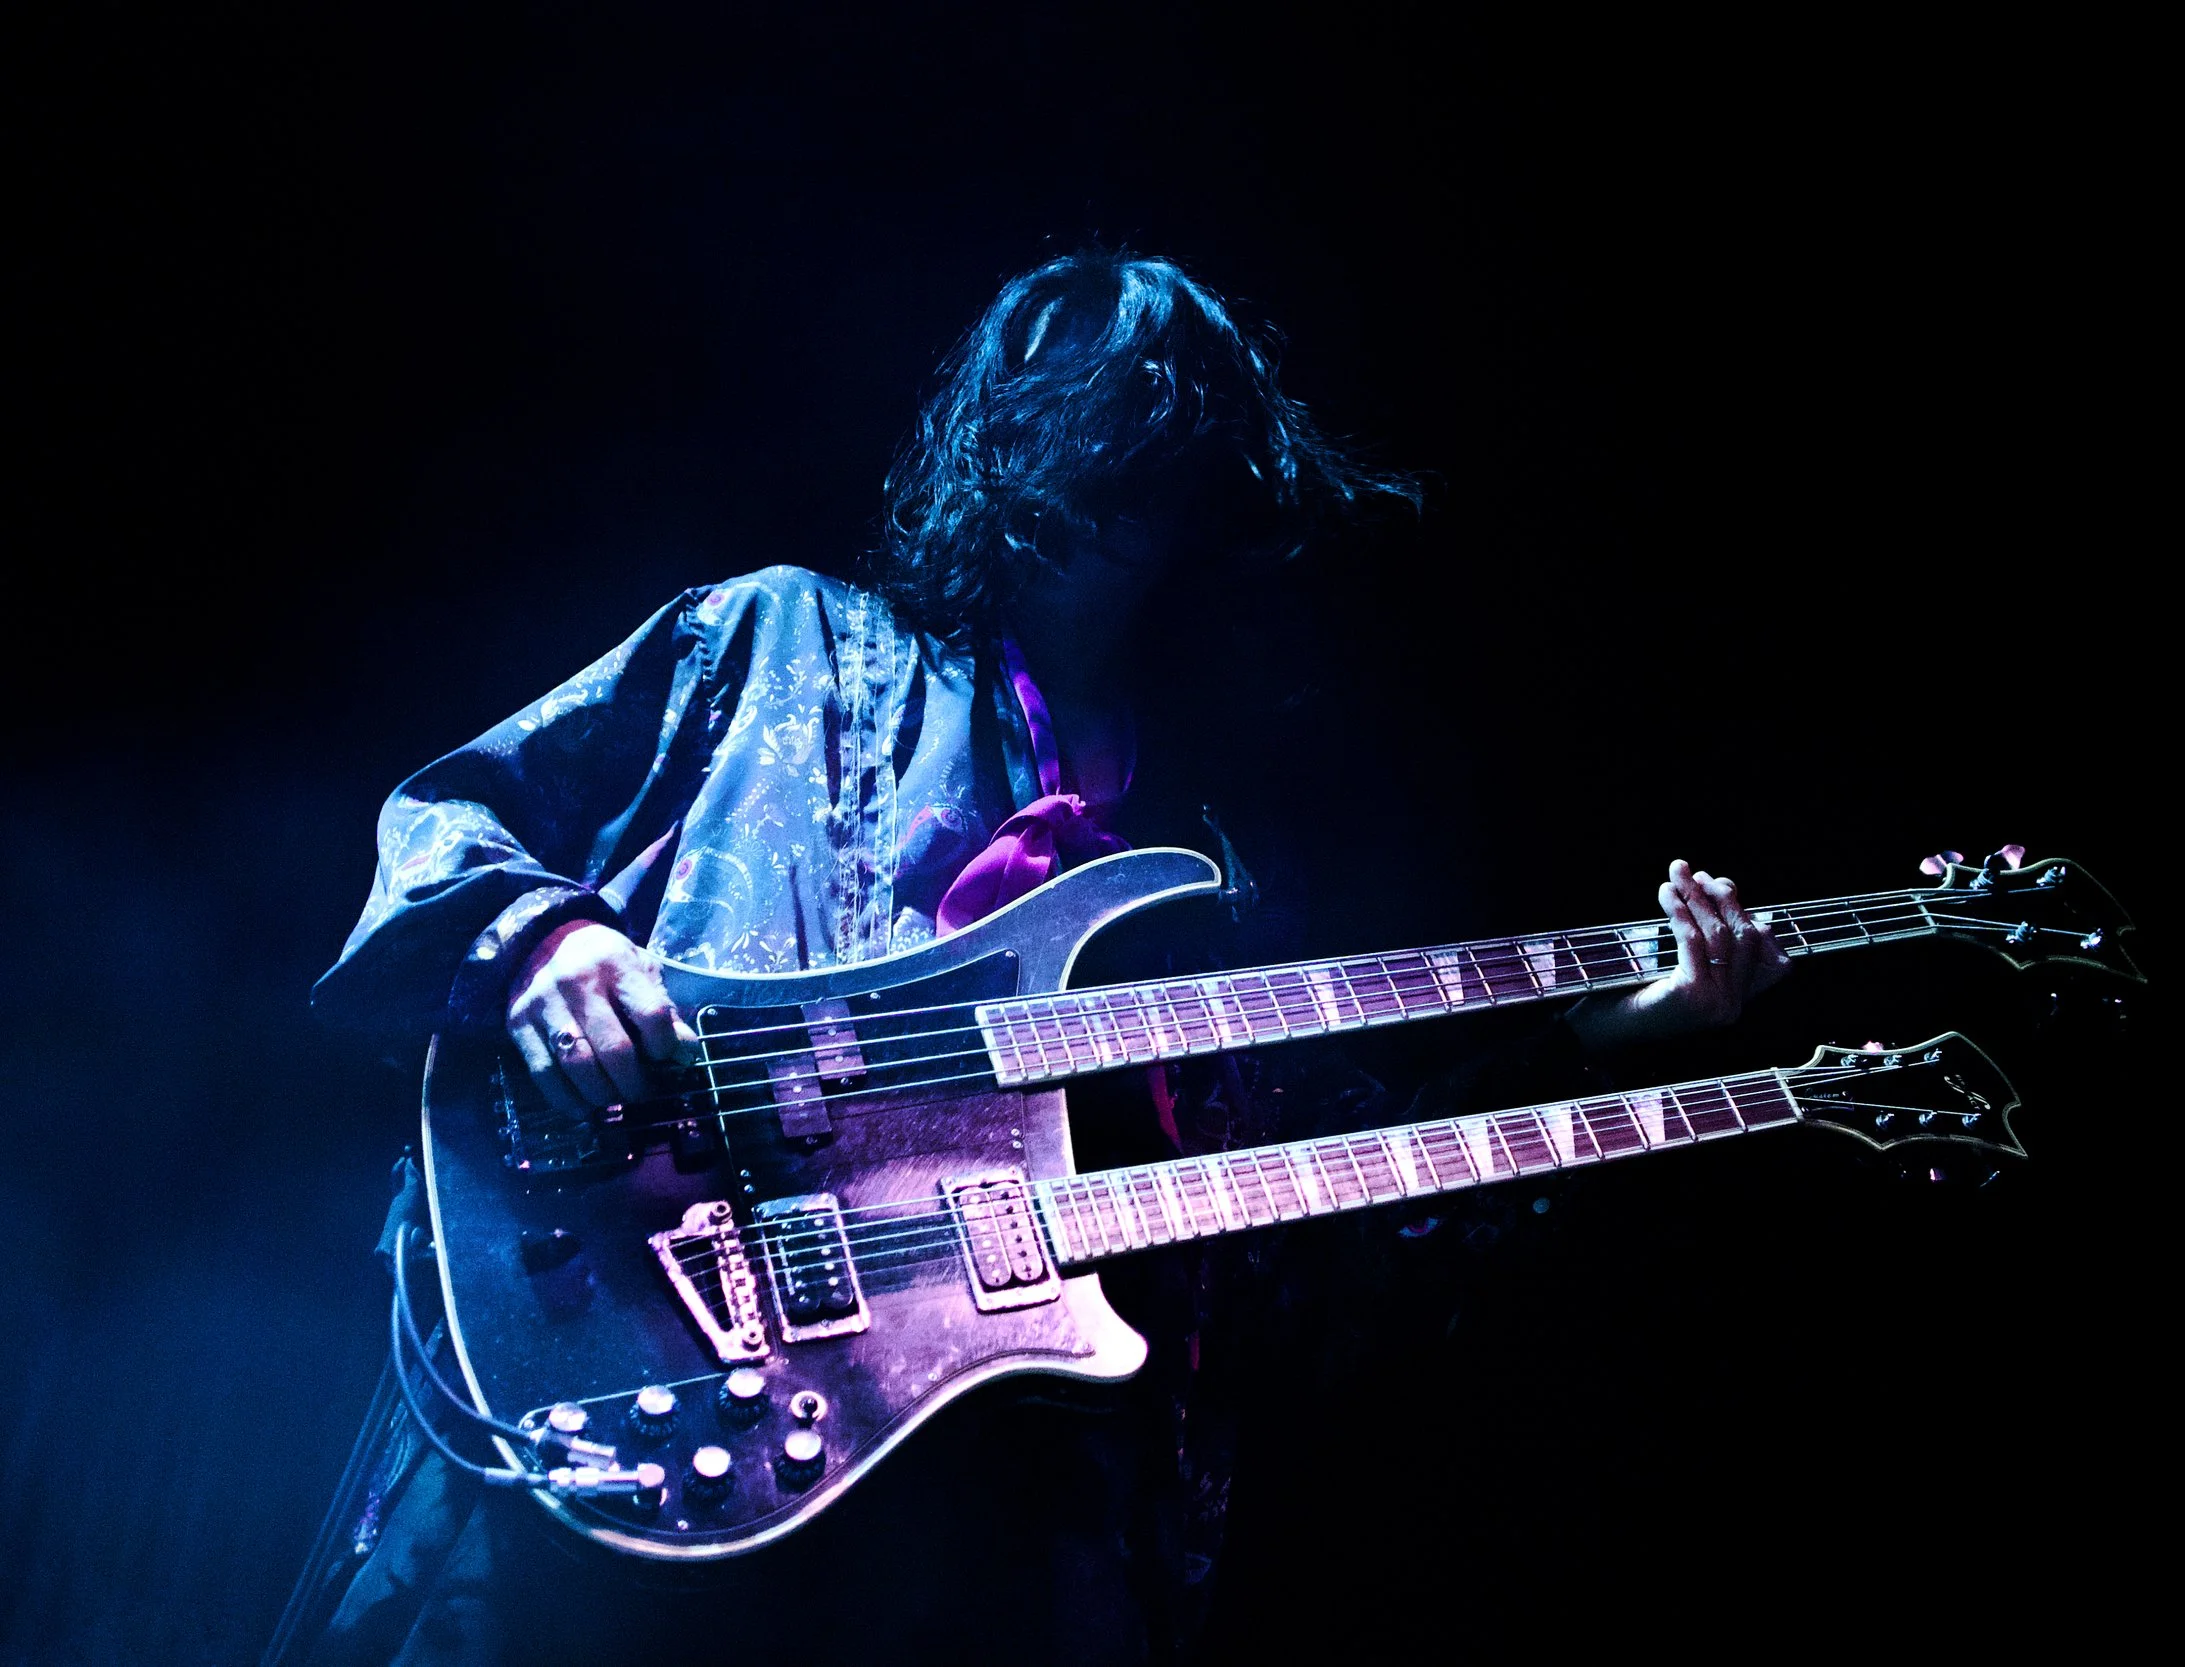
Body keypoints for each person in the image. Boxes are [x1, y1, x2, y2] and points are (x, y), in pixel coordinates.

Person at [275, 250, 1788, 1667]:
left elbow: (1291, 1230)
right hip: (632, 1386)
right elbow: (452, 814)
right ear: (998, 427)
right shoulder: (779, 644)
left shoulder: (1207, 874)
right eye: (1076, 398)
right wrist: (550, 943)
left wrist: (1611, 1034)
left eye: (1157, 420)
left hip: (984, 1546)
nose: (1109, 449)